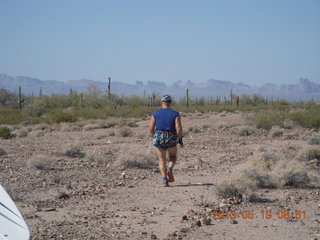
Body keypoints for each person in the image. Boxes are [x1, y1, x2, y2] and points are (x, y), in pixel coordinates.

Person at [149, 95, 183, 187]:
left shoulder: (155, 113)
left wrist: (154, 136)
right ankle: (170, 168)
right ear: (170, 102)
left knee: (161, 160)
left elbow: (151, 128)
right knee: (172, 157)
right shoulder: (175, 113)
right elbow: (178, 128)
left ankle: (164, 180)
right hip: (170, 136)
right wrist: (179, 138)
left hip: (159, 136)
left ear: (161, 102)